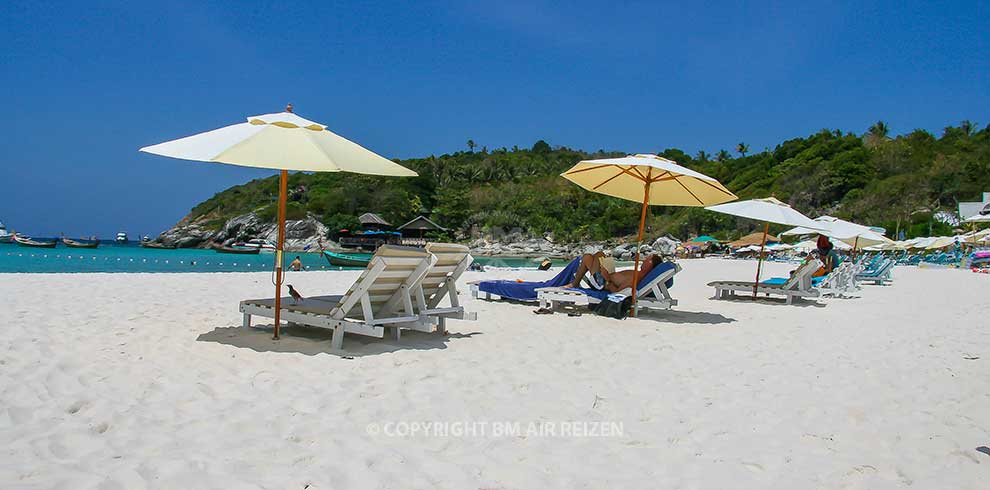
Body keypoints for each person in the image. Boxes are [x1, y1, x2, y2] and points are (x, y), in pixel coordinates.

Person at [569, 251, 664, 293]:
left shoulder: (636, 279)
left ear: (651, 265)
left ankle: (575, 284)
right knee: (589, 256)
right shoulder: (638, 274)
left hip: (603, 283)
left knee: (596, 255)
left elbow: (618, 292)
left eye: (648, 259)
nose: (645, 260)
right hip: (607, 277)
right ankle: (575, 284)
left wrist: (607, 279)